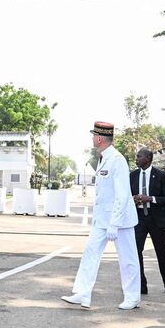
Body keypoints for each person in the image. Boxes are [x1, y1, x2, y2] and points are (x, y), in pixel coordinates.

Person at [62, 122, 141, 310]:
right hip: (102, 219)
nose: (92, 139)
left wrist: (114, 223)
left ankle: (133, 297)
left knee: (128, 259)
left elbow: (122, 194)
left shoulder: (117, 160)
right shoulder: (103, 158)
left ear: (99, 138)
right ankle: (83, 293)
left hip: (119, 220)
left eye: (93, 136)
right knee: (90, 253)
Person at [131, 148, 165, 295]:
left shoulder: (160, 175)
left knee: (161, 251)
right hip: (139, 219)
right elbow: (126, 196)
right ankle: (141, 285)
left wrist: (150, 198)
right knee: (136, 251)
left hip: (157, 219)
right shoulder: (132, 175)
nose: (136, 158)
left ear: (148, 159)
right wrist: (134, 199)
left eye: (139, 156)